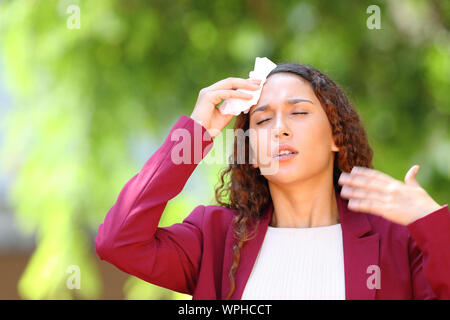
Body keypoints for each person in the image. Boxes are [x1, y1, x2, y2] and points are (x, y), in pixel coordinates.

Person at [94, 63, 450, 300]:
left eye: (298, 112)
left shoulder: (398, 241)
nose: (279, 128)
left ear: (335, 137)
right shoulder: (216, 237)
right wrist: (197, 130)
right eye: (262, 121)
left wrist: (433, 222)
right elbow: (118, 241)